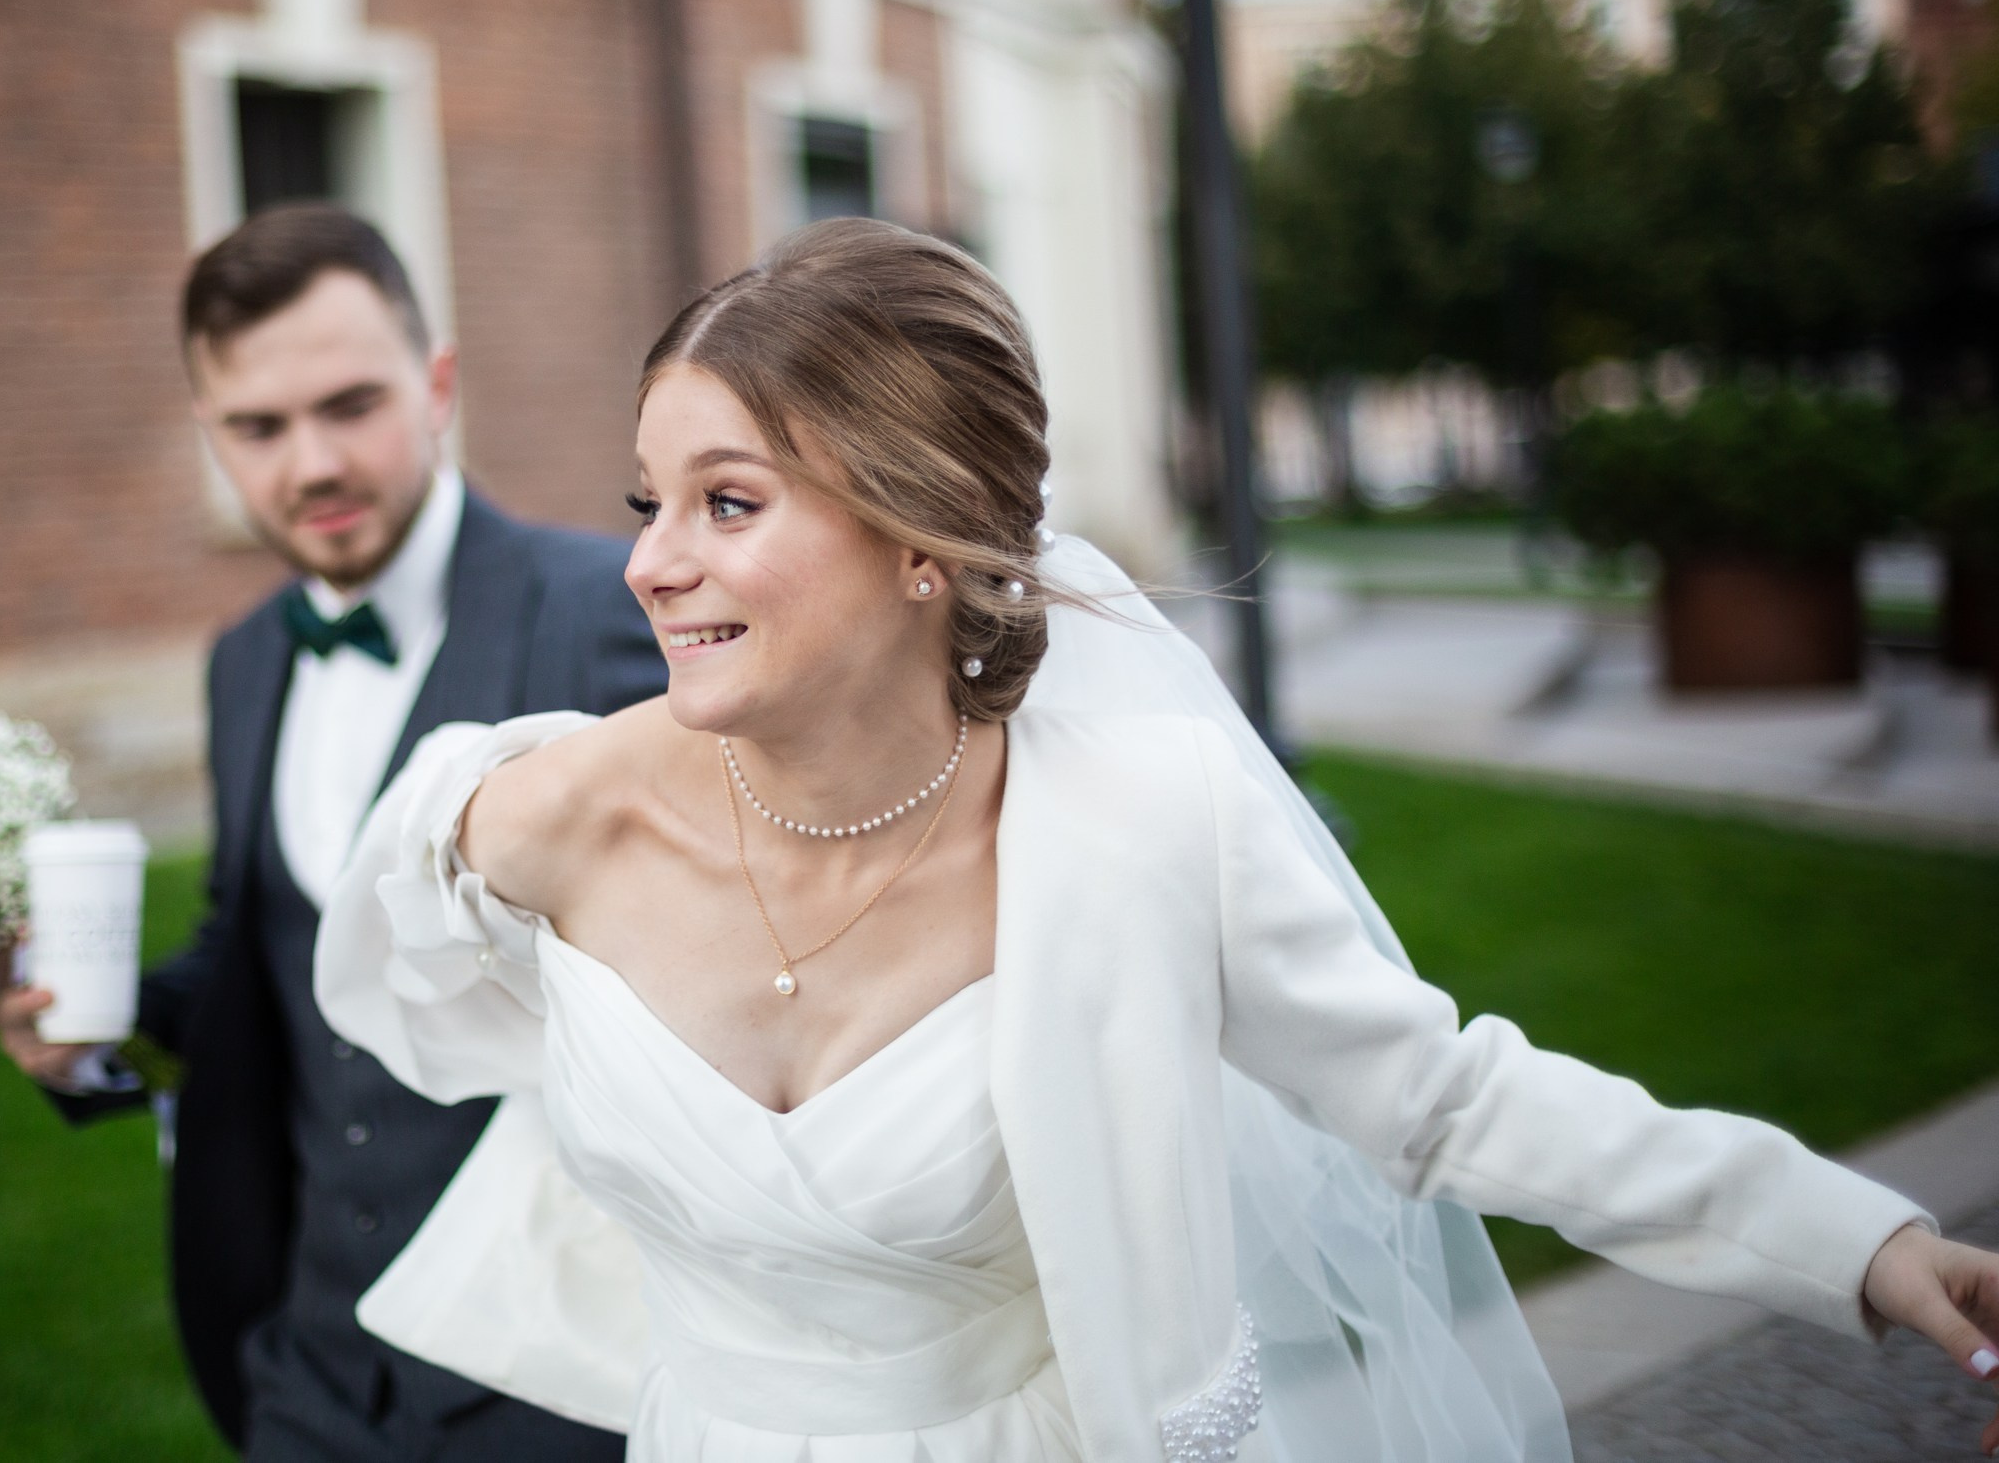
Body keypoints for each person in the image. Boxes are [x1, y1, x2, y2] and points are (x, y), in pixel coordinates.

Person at [308, 217, 1999, 1462]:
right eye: (648, 501)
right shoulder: (542, 811)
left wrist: (1859, 1241)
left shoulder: (1134, 832)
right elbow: (399, 1000)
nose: (648, 562)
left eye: (727, 501)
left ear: (922, 538)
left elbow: (1445, 1100)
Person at [0, 203, 664, 1461]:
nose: (310, 465)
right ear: (209, 433)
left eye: (351, 406)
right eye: (257, 428)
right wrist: (88, 1035)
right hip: (309, 1370)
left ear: (438, 386)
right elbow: (261, 952)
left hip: (552, 1374)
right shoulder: (244, 661)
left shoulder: (606, 612)